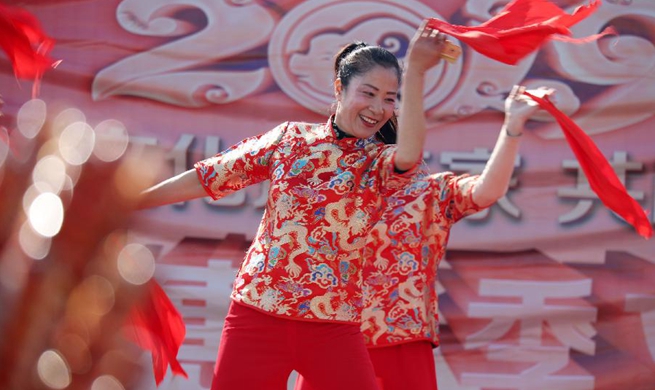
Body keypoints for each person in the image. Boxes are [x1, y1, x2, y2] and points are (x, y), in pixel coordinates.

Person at [138, 21, 449, 390]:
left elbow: (410, 153)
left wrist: (414, 73)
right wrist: (131, 202)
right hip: (256, 317)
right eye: (369, 93)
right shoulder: (291, 139)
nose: (379, 108)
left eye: (389, 98)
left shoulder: (377, 162)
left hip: (333, 327)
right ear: (339, 88)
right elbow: (210, 176)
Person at [295, 83, 555, 390]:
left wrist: (512, 127)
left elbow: (487, 191)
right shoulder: (327, 195)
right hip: (331, 341)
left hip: (402, 342)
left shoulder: (427, 194)